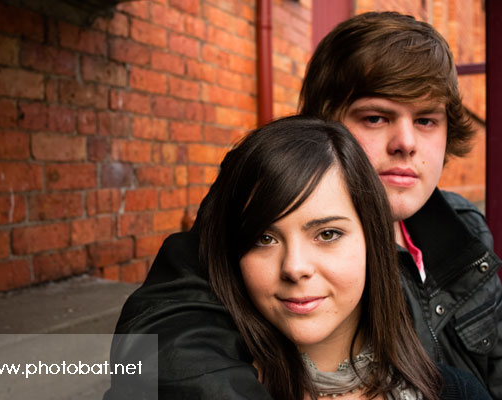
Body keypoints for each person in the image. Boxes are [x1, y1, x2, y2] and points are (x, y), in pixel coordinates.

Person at [111, 11, 502, 399]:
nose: (406, 143)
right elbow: (167, 345)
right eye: (375, 118)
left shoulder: (465, 228)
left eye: (426, 121)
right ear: (324, 124)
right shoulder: (249, 214)